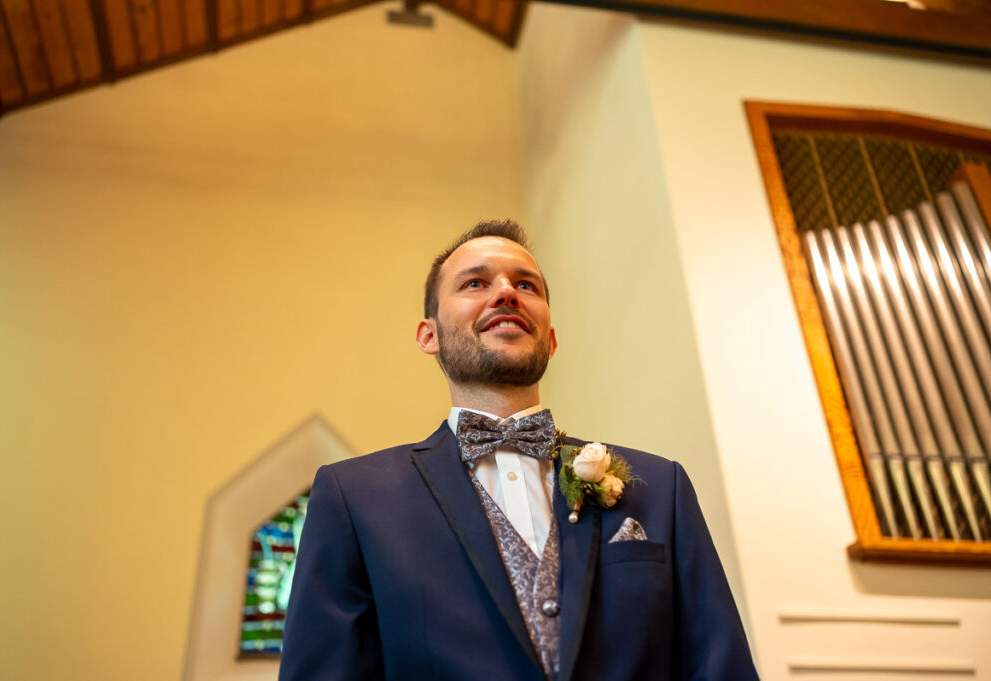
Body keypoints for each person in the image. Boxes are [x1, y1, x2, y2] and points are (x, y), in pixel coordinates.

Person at [278, 220, 759, 681]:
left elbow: (720, 666)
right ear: (430, 336)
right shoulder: (354, 497)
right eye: (474, 284)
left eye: (526, 286)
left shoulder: (661, 487)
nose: (506, 291)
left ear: (549, 340)